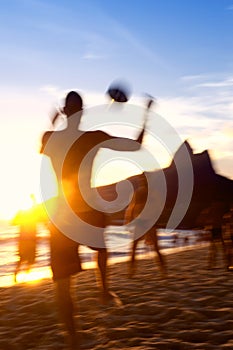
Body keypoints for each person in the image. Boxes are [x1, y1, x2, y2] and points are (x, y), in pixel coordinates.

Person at [40, 89, 146, 348]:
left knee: (61, 284)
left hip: (61, 215)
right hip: (86, 210)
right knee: (100, 247)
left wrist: (54, 121)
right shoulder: (92, 138)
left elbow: (43, 146)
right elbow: (135, 146)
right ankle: (103, 288)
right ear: (84, 112)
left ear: (66, 111)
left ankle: (72, 336)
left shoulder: (50, 138)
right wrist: (148, 115)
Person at [11, 194, 38, 282]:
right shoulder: (23, 213)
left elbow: (36, 208)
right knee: (24, 258)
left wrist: (33, 200)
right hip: (26, 239)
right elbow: (13, 222)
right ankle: (17, 274)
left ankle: (23, 274)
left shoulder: (31, 213)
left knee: (29, 259)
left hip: (29, 239)